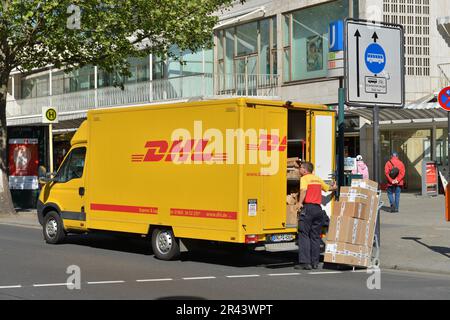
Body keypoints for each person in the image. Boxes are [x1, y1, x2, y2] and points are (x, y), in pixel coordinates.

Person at [295, 161, 337, 270]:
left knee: (304, 234)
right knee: (315, 237)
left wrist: (299, 202)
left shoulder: (304, 178)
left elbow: (303, 190)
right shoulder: (317, 178)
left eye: (300, 168)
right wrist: (335, 187)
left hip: (308, 208)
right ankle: (315, 262)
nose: (299, 170)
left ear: (304, 170)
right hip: (318, 210)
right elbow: (328, 188)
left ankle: (305, 262)